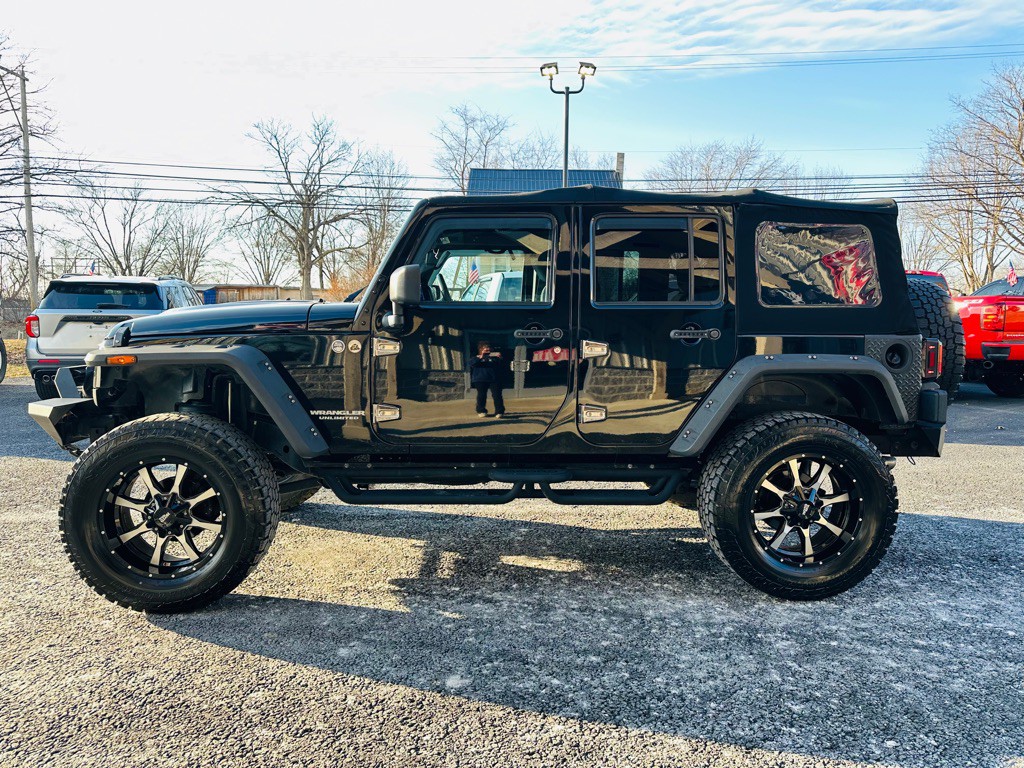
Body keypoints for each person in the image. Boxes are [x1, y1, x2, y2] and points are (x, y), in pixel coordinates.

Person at [468, 340, 505, 418]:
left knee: (497, 395)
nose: (488, 351)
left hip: (494, 379)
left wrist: (500, 358)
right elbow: (471, 364)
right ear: (481, 349)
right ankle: (481, 411)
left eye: (489, 349)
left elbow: (501, 366)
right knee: (481, 395)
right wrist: (480, 357)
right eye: (485, 349)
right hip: (480, 379)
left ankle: (499, 412)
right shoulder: (475, 357)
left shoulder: (494, 357)